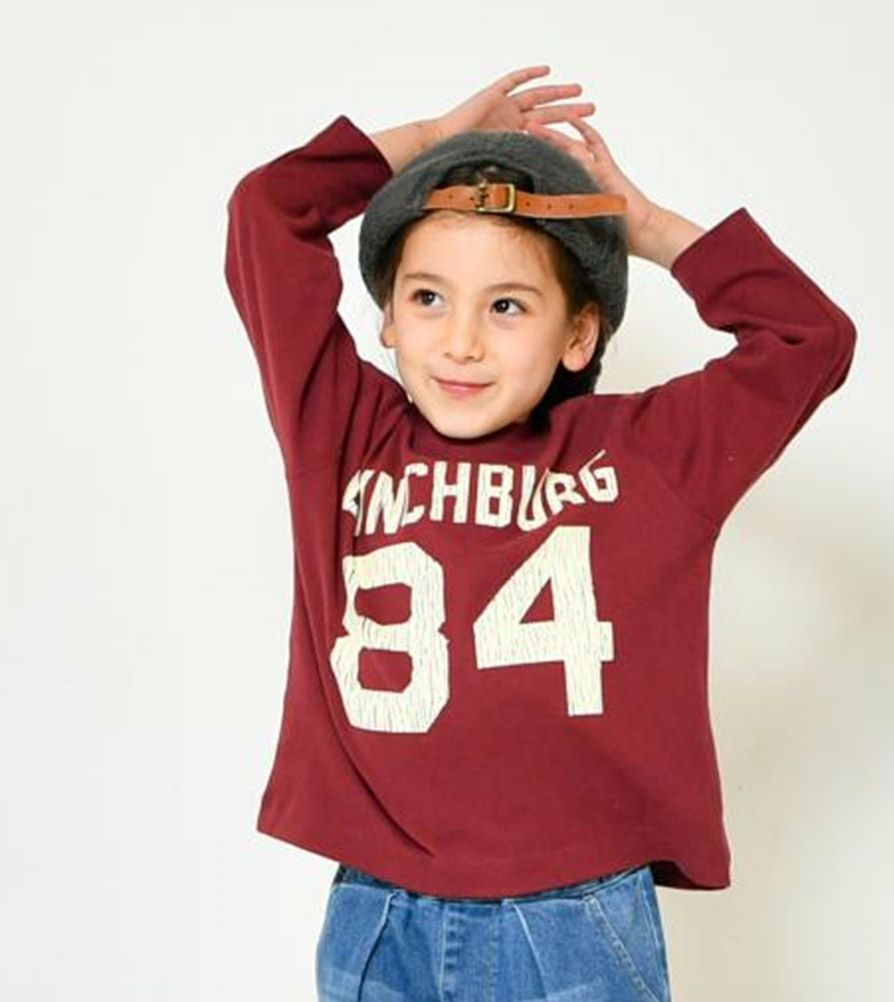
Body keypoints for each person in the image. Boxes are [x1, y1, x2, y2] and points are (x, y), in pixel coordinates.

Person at [224, 64, 856, 1002]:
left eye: (507, 306)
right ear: (386, 319)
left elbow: (809, 339)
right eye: (428, 298)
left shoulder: (643, 456)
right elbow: (267, 211)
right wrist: (427, 142)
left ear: (579, 335)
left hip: (572, 919)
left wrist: (647, 229)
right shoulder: (343, 432)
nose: (462, 341)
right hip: (380, 909)